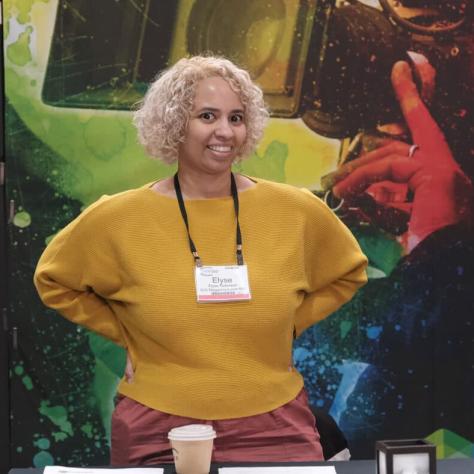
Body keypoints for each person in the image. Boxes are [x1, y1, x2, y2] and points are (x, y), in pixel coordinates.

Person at [34, 55, 368, 465]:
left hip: (275, 423)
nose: (224, 131)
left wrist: (291, 321)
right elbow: (53, 280)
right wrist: (126, 332)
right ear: (175, 123)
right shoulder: (116, 218)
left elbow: (350, 271)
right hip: (157, 428)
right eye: (207, 116)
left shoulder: (296, 210)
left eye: (236, 117)